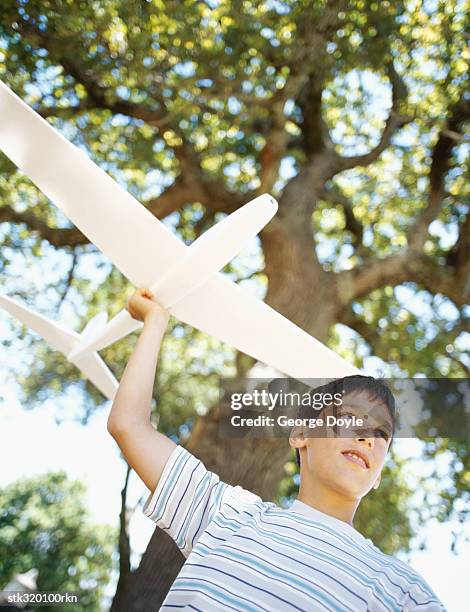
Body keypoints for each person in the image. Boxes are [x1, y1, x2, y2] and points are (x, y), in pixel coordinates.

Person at [107, 287, 445, 611]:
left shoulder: (402, 591)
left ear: (378, 475)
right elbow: (129, 425)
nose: (366, 437)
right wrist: (155, 321)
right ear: (301, 434)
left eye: (381, 433)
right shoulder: (229, 514)